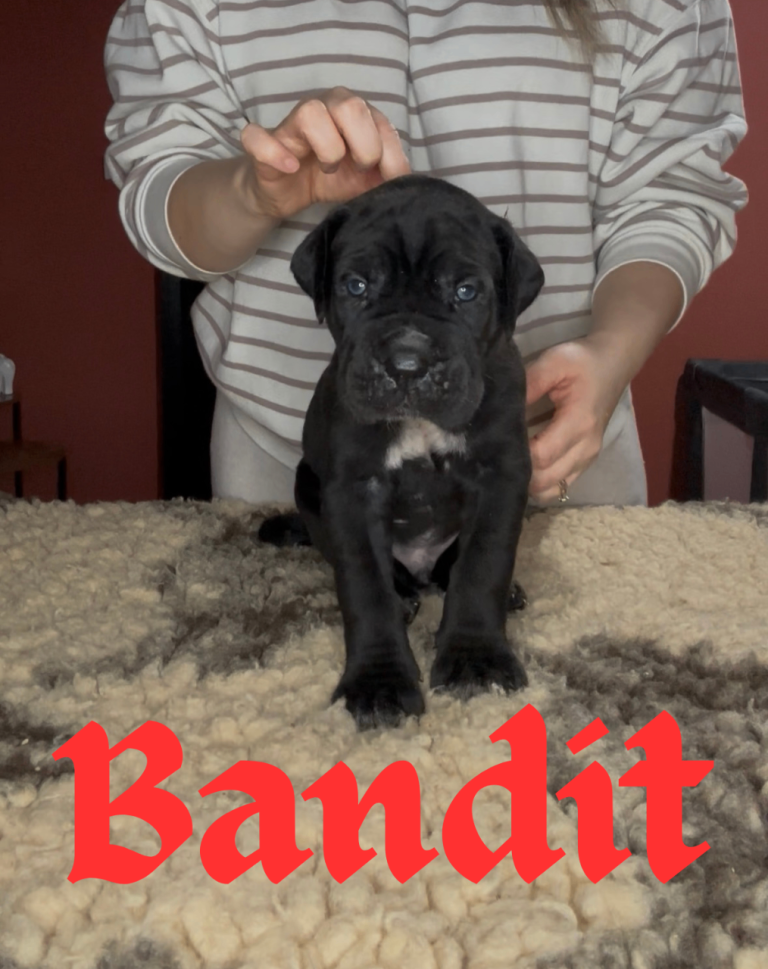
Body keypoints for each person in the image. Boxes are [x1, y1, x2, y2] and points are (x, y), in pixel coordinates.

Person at [104, 0, 747, 507]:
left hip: (545, 447)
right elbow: (154, 189)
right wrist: (253, 192)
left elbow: (672, 198)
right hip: (300, 455)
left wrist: (612, 352)